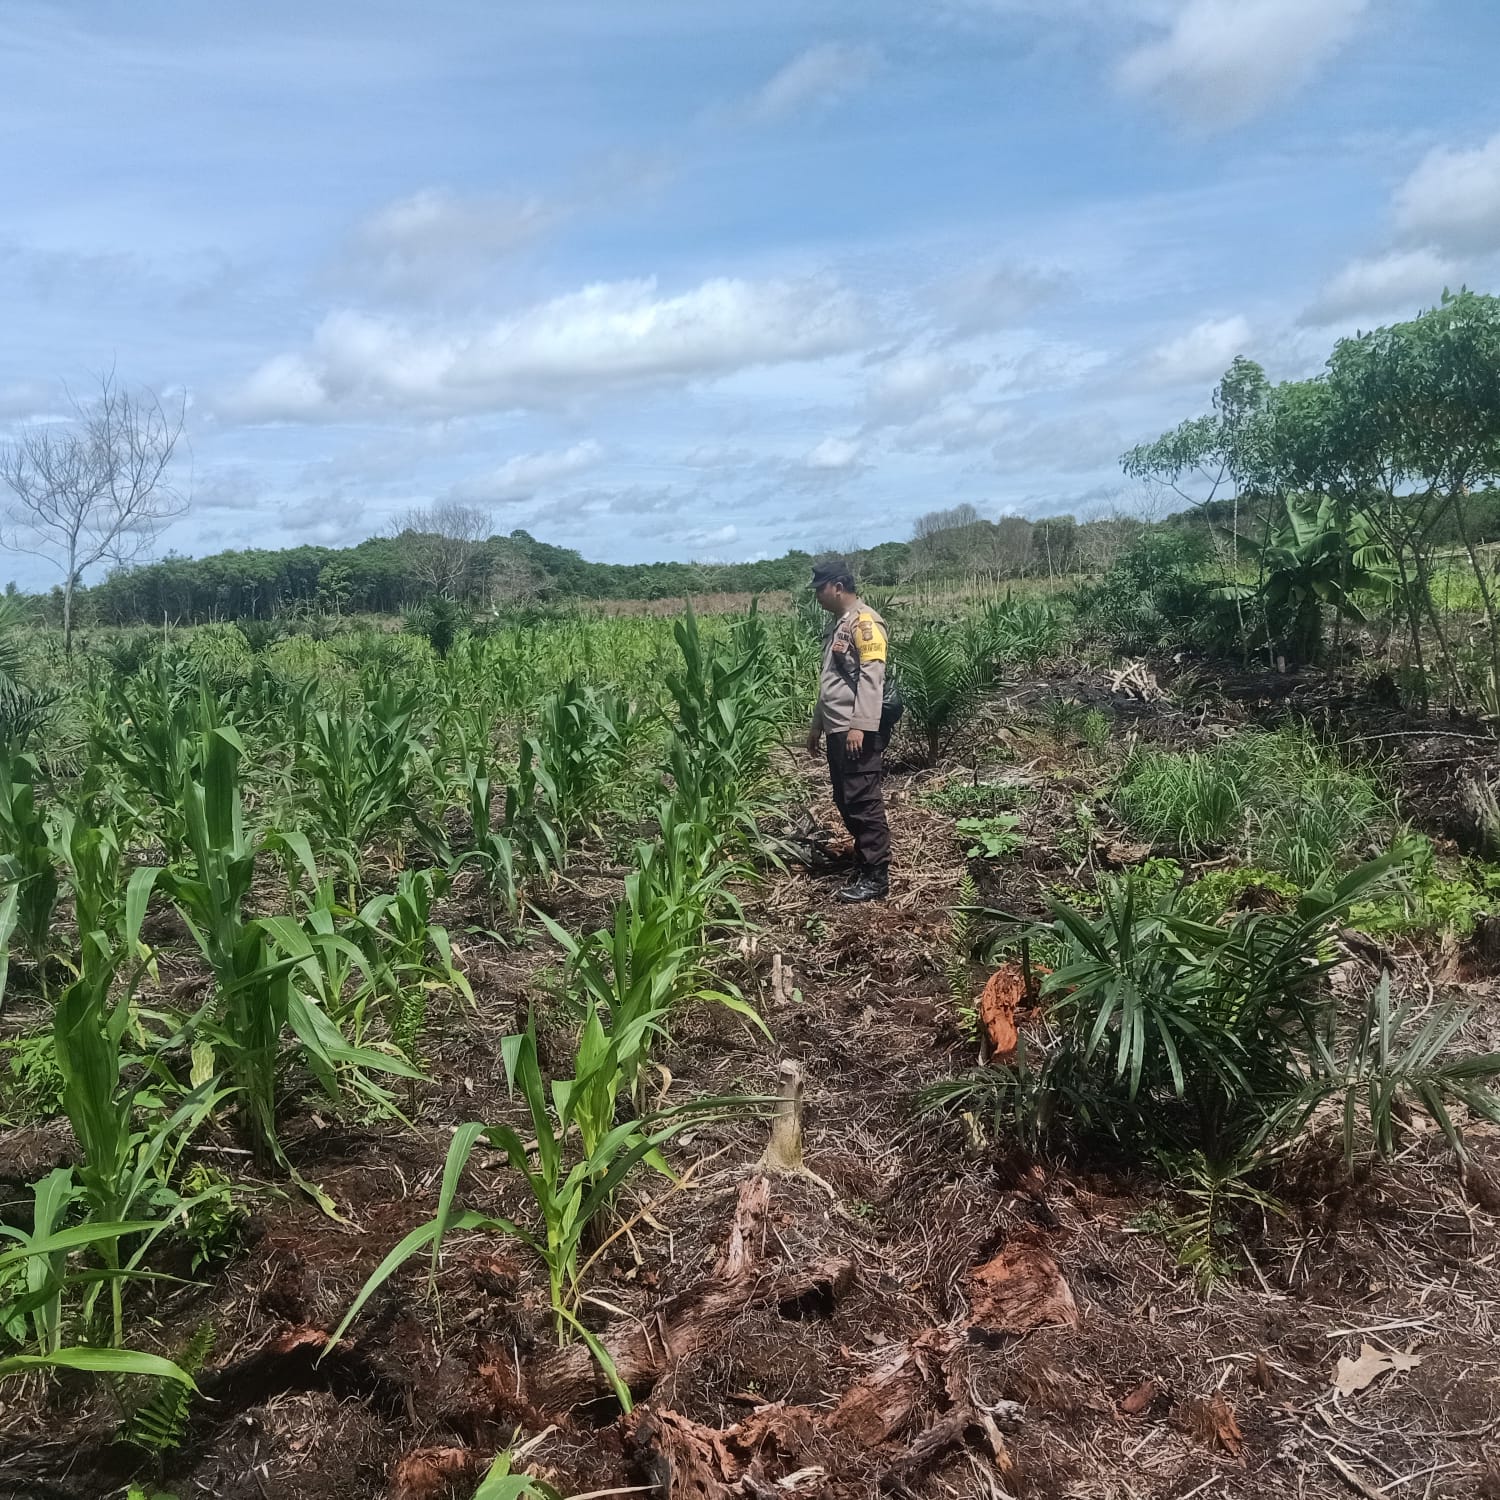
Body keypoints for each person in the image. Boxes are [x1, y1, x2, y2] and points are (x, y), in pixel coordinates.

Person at [805, 557, 891, 902]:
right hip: (838, 727)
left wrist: (861, 725)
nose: (817, 596)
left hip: (856, 730)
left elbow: (873, 675)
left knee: (863, 802)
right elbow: (833, 683)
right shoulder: (838, 624)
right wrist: (817, 726)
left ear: (838, 587)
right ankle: (863, 862)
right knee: (845, 799)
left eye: (820, 589)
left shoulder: (865, 622)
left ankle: (876, 877)